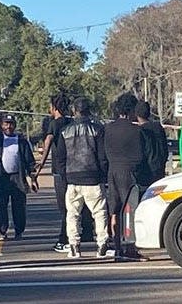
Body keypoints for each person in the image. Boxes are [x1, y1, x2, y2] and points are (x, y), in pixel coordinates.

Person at [35, 93, 95, 253]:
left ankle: (64, 238)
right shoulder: (71, 122)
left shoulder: (55, 124)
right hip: (74, 167)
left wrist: (40, 165)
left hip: (60, 171)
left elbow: (48, 142)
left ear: (54, 107)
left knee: (65, 207)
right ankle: (87, 231)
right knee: (81, 203)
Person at [54, 97, 109, 258]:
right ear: (89, 110)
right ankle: (102, 244)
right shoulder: (97, 129)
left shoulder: (65, 131)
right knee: (99, 213)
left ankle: (74, 246)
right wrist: (102, 175)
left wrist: (65, 175)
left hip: (72, 179)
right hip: (93, 177)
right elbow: (102, 157)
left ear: (74, 111)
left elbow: (60, 158)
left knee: (72, 213)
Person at [104, 93, 152, 261]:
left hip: (112, 171)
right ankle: (129, 247)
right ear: (131, 110)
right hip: (130, 173)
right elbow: (142, 155)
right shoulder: (137, 131)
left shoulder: (108, 129)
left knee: (114, 210)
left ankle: (116, 245)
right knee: (129, 209)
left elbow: (104, 153)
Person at [0, 114, 35, 241]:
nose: (9, 126)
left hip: (17, 178)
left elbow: (29, 161)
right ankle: (3, 231)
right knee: (1, 206)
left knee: (19, 207)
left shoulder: (22, 141)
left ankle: (19, 231)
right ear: (1, 125)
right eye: (6, 123)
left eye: (11, 124)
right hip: (1, 178)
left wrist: (32, 177)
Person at [135, 101, 169, 184]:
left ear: (136, 115)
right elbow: (165, 148)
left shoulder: (140, 131)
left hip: (147, 171)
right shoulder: (158, 128)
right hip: (160, 168)